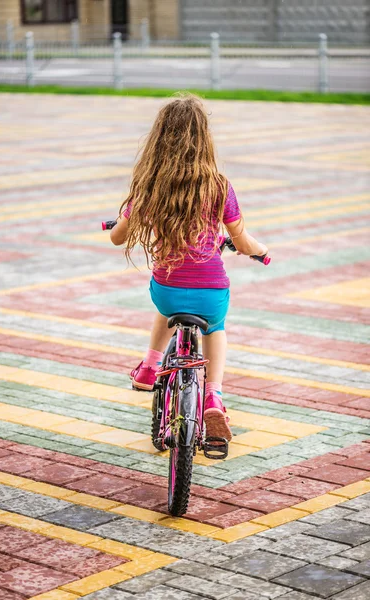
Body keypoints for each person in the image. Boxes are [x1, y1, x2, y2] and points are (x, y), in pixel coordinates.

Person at [109, 93, 268, 443]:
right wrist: (260, 249)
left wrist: (124, 219)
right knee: (216, 327)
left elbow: (118, 238)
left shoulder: (150, 186)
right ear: (204, 138)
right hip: (212, 293)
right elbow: (241, 242)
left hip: (167, 290)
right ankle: (213, 395)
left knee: (165, 309)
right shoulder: (218, 185)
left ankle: (150, 367)